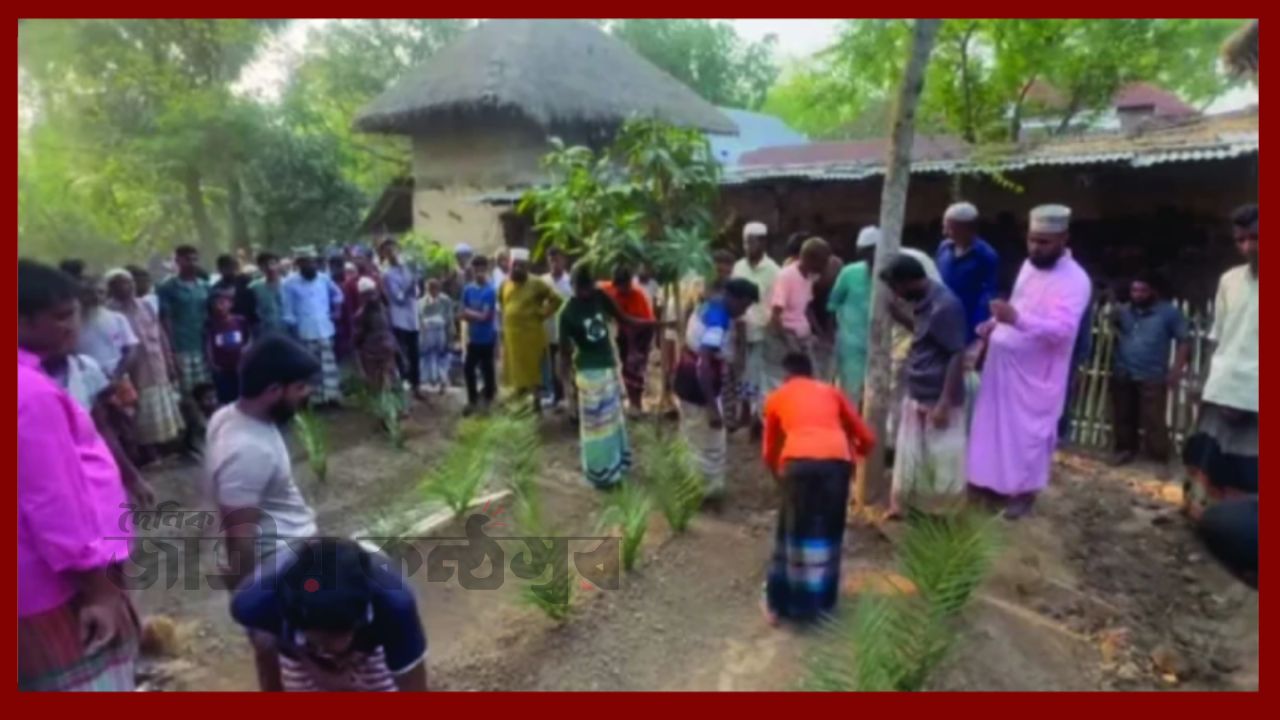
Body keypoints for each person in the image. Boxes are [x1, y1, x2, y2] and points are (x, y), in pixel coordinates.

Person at [18, 259, 140, 691]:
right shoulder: (28, 393)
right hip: (56, 588)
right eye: (61, 317)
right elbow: (51, 501)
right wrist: (97, 589)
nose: (73, 326)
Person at [967, 205, 1091, 519]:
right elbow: (1019, 304)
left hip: (1037, 375)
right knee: (993, 430)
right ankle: (989, 485)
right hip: (1002, 366)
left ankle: (1024, 493)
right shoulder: (1028, 266)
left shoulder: (1076, 280)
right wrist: (995, 325)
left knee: (1030, 436)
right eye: (1032, 240)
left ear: (1064, 239)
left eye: (1044, 242)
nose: (1036, 247)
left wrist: (1017, 319)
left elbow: (1062, 331)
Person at [761, 352, 875, 625]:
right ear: (811, 373)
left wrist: (779, 477)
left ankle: (779, 606)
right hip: (836, 465)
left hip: (798, 465)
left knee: (790, 533)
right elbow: (867, 437)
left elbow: (769, 451)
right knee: (829, 531)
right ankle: (823, 604)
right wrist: (854, 455)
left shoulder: (777, 398)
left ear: (786, 376)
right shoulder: (831, 392)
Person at [231, 538, 428, 691]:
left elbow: (414, 689)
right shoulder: (255, 605)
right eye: (321, 642)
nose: (328, 650)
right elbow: (267, 660)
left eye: (335, 638)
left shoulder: (394, 607)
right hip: (296, 647)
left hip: (369, 642)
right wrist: (315, 667)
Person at [880, 254, 969, 516]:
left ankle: (941, 516)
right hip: (918, 388)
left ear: (908, 282)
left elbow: (956, 353)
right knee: (912, 457)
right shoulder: (924, 302)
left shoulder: (945, 306)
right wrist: (900, 318)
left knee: (940, 459)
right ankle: (909, 507)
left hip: (937, 394)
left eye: (896, 288)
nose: (896, 295)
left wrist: (944, 403)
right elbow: (927, 334)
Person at [1184, 204, 1259, 516]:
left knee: (1249, 466)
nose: (1247, 248)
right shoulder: (1229, 280)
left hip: (1255, 396)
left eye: (1255, 238)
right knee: (1206, 455)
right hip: (1221, 385)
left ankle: (1241, 530)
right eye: (1240, 240)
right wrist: (1206, 384)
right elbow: (1220, 338)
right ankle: (1201, 517)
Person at [558, 264, 655, 489]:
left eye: (588, 287)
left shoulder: (600, 297)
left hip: (609, 369)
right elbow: (564, 355)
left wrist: (654, 323)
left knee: (611, 423)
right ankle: (599, 472)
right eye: (580, 288)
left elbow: (625, 319)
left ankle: (615, 467)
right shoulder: (567, 313)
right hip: (587, 373)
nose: (585, 293)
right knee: (595, 426)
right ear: (572, 286)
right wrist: (567, 388)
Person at [856, 226, 944, 453]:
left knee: (906, 382)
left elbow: (932, 302)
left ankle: (902, 442)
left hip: (920, 324)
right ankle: (892, 441)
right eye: (863, 255)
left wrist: (909, 322)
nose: (867, 261)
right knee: (891, 383)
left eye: (870, 254)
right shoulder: (874, 268)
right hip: (897, 327)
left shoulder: (913, 260)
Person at [674, 278, 760, 499]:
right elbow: (703, 364)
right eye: (745, 304)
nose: (745, 310)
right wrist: (712, 407)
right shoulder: (718, 321)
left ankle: (689, 483)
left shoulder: (709, 305)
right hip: (699, 385)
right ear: (735, 298)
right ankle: (704, 491)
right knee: (710, 441)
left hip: (687, 377)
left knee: (692, 435)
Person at [1108, 273, 1189, 466]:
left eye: (1143, 291)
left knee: (1153, 419)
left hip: (1152, 373)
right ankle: (1125, 451)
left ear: (1153, 291)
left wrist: (1176, 369)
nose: (1137, 295)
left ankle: (1157, 458)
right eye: (1134, 290)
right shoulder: (1124, 311)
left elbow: (1184, 342)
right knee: (1123, 415)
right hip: (1123, 370)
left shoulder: (1169, 313)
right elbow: (1113, 327)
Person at [106, 268, 185, 460]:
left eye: (129, 282)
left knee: (162, 406)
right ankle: (149, 453)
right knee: (139, 410)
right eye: (121, 284)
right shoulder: (111, 313)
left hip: (157, 364)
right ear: (112, 288)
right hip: (134, 371)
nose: (128, 287)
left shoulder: (147, 305)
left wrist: (170, 361)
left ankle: (164, 448)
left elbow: (161, 335)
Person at [763, 237, 829, 398]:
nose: (825, 266)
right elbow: (775, 316)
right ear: (809, 258)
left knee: (812, 382)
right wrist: (790, 345)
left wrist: (820, 333)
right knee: (783, 384)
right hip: (784, 337)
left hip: (801, 337)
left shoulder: (809, 277)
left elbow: (806, 309)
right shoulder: (786, 277)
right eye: (823, 262)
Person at [499, 248, 563, 411]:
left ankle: (536, 407)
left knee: (533, 374)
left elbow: (556, 300)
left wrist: (542, 313)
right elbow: (502, 304)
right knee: (516, 374)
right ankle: (521, 410)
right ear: (510, 265)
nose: (517, 269)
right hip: (513, 338)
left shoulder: (536, 283)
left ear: (526, 267)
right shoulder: (505, 285)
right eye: (515, 265)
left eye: (521, 266)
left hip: (531, 338)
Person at [732, 221, 781, 428]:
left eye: (751, 242)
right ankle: (746, 412)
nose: (747, 247)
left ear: (762, 242)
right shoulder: (739, 267)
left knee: (757, 374)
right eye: (744, 243)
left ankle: (754, 417)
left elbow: (776, 303)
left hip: (762, 331)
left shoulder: (773, 270)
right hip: (739, 328)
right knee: (740, 371)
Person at [282, 246, 344, 405]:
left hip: (325, 328)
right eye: (305, 262)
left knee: (328, 365)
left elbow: (338, 295)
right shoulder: (289, 283)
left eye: (312, 262)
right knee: (311, 366)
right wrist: (294, 328)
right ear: (299, 264)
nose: (310, 265)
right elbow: (288, 310)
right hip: (304, 330)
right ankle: (315, 400)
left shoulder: (323, 278)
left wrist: (336, 311)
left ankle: (332, 397)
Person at [935, 202, 999, 343]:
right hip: (941, 315)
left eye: (950, 229)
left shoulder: (986, 255)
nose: (944, 233)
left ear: (966, 230)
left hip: (967, 318)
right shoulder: (944, 248)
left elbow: (988, 294)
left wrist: (977, 327)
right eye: (944, 227)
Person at [599, 264, 656, 414]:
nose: (626, 289)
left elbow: (636, 326)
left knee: (636, 367)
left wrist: (633, 351)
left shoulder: (636, 295)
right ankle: (631, 402)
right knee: (625, 365)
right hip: (624, 331)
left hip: (642, 330)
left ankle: (637, 403)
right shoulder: (607, 290)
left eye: (628, 285)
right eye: (623, 286)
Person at [158, 244, 211, 396]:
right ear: (178, 261)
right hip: (181, 347)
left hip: (202, 344)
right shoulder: (167, 287)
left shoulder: (205, 286)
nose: (192, 263)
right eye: (187, 260)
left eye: (195, 259)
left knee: (206, 389)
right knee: (186, 391)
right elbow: (165, 319)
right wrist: (171, 350)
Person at [827, 238, 872, 408]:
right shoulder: (849, 272)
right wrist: (833, 336)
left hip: (882, 344)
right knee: (851, 392)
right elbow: (833, 304)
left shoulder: (891, 273)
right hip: (851, 342)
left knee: (877, 392)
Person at [380, 238, 424, 401]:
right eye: (388, 250)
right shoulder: (387, 274)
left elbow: (417, 293)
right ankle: (403, 387)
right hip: (399, 319)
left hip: (412, 317)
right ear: (384, 254)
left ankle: (417, 386)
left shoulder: (407, 268)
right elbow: (398, 298)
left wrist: (414, 282)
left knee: (415, 353)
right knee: (401, 354)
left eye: (394, 249)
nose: (392, 253)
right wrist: (410, 283)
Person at [461, 256, 499, 413]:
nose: (479, 273)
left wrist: (470, 312)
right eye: (476, 269)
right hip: (472, 337)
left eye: (482, 269)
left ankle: (489, 399)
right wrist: (471, 313)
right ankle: (472, 400)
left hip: (487, 337)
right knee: (468, 368)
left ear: (487, 269)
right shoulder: (468, 289)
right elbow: (461, 312)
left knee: (487, 369)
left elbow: (486, 316)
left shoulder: (490, 291)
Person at [354, 277, 400, 394]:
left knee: (384, 378)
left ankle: (388, 402)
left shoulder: (380, 310)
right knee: (381, 380)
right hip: (378, 349)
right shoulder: (365, 313)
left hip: (381, 349)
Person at [540, 247, 574, 408]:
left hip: (570, 333)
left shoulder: (571, 281)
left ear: (564, 260)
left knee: (571, 366)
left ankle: (572, 397)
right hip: (549, 331)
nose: (554, 263)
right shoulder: (542, 282)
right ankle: (557, 397)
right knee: (553, 366)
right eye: (551, 260)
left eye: (557, 259)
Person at [206, 288, 252, 405]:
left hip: (239, 366)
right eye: (215, 303)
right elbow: (209, 344)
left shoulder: (240, 320)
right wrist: (212, 364)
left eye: (222, 302)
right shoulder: (211, 324)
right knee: (226, 398)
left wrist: (246, 351)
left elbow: (248, 338)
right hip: (222, 369)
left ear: (231, 304)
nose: (219, 306)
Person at [419, 278, 455, 393]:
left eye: (434, 289)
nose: (432, 291)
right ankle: (429, 380)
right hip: (428, 331)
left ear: (438, 289)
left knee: (441, 355)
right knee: (427, 355)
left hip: (440, 330)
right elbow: (420, 318)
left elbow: (449, 317)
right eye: (429, 289)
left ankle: (442, 380)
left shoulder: (445, 300)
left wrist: (450, 330)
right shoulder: (421, 302)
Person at [213, 253, 257, 322]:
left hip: (246, 324)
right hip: (226, 325)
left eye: (232, 267)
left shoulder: (246, 283)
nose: (231, 270)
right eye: (226, 267)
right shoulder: (216, 288)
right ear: (219, 269)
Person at [249, 252, 286, 335]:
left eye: (273, 263)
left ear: (279, 265)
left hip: (289, 332)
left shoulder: (289, 285)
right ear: (260, 268)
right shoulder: (254, 287)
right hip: (266, 332)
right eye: (265, 265)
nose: (270, 268)